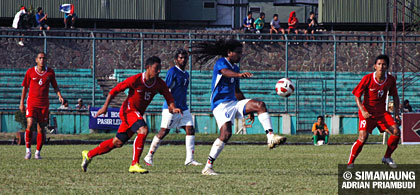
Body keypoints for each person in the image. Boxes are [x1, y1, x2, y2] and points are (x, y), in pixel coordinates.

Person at [192, 39, 287, 175]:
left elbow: (237, 91)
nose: (240, 55)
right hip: (220, 105)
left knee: (260, 105)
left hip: (234, 103)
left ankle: (270, 137)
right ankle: (208, 167)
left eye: (241, 52)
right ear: (229, 52)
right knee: (226, 134)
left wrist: (250, 111)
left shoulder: (236, 68)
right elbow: (225, 72)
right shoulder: (222, 63)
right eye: (238, 53)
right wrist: (239, 75)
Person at [81, 56, 181, 174]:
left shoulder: (159, 83)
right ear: (148, 68)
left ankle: (88, 154)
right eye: (156, 68)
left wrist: (172, 107)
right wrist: (105, 107)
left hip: (136, 114)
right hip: (128, 111)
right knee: (143, 130)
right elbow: (114, 91)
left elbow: (168, 97)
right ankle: (135, 164)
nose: (159, 71)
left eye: (160, 68)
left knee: (117, 142)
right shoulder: (136, 79)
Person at [144, 49, 202, 167]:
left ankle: (189, 159)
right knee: (164, 131)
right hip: (171, 107)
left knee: (190, 129)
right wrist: (172, 106)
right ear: (176, 60)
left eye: (185, 58)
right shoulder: (172, 71)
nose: (183, 60)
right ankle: (149, 155)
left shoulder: (186, 74)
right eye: (180, 58)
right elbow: (166, 89)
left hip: (183, 108)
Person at [347, 54, 401, 169]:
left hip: (382, 113)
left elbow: (395, 96)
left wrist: (396, 113)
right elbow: (357, 96)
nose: (381, 66)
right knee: (363, 137)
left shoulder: (390, 80)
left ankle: (387, 157)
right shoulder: (367, 78)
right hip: (367, 113)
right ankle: (350, 162)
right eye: (379, 64)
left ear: (387, 67)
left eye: (384, 64)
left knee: (396, 131)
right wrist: (362, 110)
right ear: (375, 66)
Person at [20, 52, 64, 160]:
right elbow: (25, 87)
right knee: (30, 124)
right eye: (40, 58)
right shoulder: (30, 72)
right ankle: (28, 151)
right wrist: (21, 102)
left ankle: (38, 152)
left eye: (44, 58)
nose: (42, 60)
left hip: (44, 104)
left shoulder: (50, 73)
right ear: (36, 60)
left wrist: (60, 96)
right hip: (32, 103)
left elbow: (55, 86)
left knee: (41, 128)